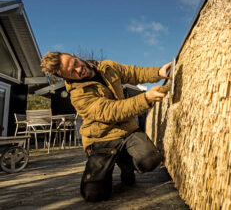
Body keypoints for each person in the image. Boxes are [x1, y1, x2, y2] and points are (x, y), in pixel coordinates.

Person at [40, 52, 172, 202]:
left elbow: (133, 73)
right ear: (66, 78)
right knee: (94, 194)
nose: (78, 70)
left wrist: (158, 72)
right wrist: (145, 98)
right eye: (72, 72)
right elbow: (111, 111)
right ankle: (104, 167)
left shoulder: (108, 67)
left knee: (151, 159)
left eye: (75, 63)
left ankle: (125, 163)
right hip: (101, 140)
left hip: (127, 131)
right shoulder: (78, 96)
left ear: (74, 55)